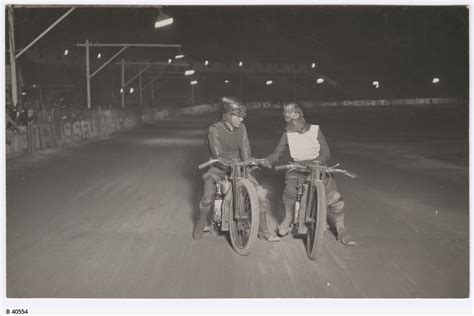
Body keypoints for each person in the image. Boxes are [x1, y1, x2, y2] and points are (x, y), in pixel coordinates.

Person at [261, 103, 356, 246]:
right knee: (290, 190)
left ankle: (342, 229)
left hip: (317, 166)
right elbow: (278, 153)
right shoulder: (287, 134)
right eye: (289, 118)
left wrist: (317, 161)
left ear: (300, 114)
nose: (294, 123)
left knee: (335, 198)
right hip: (298, 167)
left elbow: (326, 151)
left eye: (295, 116)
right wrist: (265, 161)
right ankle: (288, 218)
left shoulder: (315, 130)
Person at [193, 96, 280, 242]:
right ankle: (200, 223)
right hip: (218, 167)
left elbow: (245, 150)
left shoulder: (242, 128)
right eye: (238, 116)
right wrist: (230, 161)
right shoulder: (214, 129)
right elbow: (218, 154)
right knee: (208, 198)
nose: (242, 119)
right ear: (228, 116)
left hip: (238, 167)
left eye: (242, 117)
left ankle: (263, 230)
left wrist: (250, 161)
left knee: (260, 194)